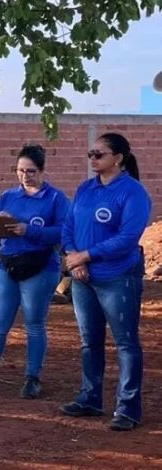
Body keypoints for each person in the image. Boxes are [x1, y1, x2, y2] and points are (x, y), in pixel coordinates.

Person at [59, 133, 152, 431]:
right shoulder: (85, 189)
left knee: (125, 343)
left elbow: (127, 238)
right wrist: (75, 258)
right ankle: (90, 398)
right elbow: (69, 227)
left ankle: (128, 408)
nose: (93, 159)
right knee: (90, 341)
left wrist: (86, 255)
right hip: (83, 278)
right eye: (91, 154)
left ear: (118, 158)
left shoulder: (133, 192)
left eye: (99, 154)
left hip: (117, 277)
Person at [0, 144, 70, 398]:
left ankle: (33, 377)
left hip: (40, 265)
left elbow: (64, 231)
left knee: (34, 323)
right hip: (8, 263)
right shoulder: (8, 196)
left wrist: (28, 230)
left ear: (42, 170)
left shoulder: (56, 198)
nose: (25, 176)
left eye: (30, 171)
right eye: (20, 171)